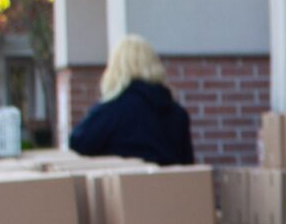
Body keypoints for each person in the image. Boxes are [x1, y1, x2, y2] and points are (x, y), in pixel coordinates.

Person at [68, 35, 193, 165]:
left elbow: (78, 144)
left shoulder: (111, 110)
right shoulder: (177, 114)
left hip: (125, 183)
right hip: (172, 184)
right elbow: (187, 165)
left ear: (115, 68)